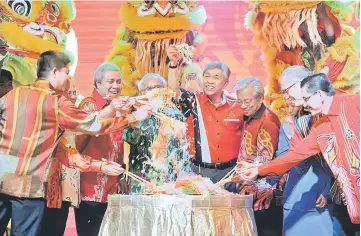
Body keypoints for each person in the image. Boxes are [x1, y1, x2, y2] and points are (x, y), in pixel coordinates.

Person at [0, 51, 150, 236]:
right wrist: (133, 117)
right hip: (28, 187)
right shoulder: (56, 103)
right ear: (55, 72)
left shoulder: (14, 94)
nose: (69, 77)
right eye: (67, 72)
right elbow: (93, 125)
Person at [239, 73, 360, 230]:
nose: (303, 104)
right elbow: (292, 157)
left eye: (306, 98)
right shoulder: (319, 128)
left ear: (319, 94)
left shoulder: (353, 102)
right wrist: (258, 170)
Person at [73, 62, 152, 236]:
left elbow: (123, 146)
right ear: (97, 84)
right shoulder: (88, 106)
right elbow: (79, 142)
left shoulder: (120, 106)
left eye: (118, 81)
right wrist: (122, 114)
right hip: (91, 189)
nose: (115, 86)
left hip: (115, 188)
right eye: (110, 82)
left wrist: (123, 173)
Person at [275, 66, 333, 236]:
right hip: (294, 194)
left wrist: (327, 190)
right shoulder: (290, 123)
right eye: (283, 92)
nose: (285, 96)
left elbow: (335, 159)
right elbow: (283, 157)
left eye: (287, 90)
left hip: (318, 198)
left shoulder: (326, 113)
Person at [168, 60, 243, 192]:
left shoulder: (237, 106)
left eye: (216, 77)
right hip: (200, 172)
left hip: (230, 173)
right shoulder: (193, 101)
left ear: (225, 83)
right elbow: (173, 91)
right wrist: (173, 65)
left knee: (227, 211)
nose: (210, 81)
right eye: (207, 76)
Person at [123, 73, 191, 193]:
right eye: (150, 89)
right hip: (142, 180)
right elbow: (127, 137)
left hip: (170, 182)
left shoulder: (175, 115)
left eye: (158, 87)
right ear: (141, 93)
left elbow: (182, 149)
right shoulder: (134, 115)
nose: (155, 92)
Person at [234, 77, 282, 236]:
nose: (243, 106)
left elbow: (264, 161)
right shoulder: (251, 115)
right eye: (240, 101)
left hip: (262, 191)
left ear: (261, 97)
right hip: (249, 186)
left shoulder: (267, 120)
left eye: (247, 101)